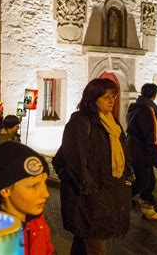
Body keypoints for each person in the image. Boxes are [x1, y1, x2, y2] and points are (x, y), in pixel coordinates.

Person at [52, 78, 133, 255]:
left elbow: (124, 156)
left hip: (109, 192)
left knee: (84, 239)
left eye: (113, 96)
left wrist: (126, 176)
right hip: (90, 195)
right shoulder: (81, 122)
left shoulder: (114, 124)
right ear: (92, 98)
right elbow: (76, 160)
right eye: (106, 97)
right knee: (95, 242)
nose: (111, 101)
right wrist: (90, 190)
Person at [0, 141, 54, 254]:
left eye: (44, 183)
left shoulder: (37, 221)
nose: (45, 193)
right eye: (34, 185)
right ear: (5, 190)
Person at [126, 83, 157, 221]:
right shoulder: (147, 109)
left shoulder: (136, 107)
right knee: (144, 180)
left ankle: (148, 209)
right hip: (142, 149)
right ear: (154, 95)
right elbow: (151, 135)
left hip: (136, 147)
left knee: (148, 180)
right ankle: (119, 199)